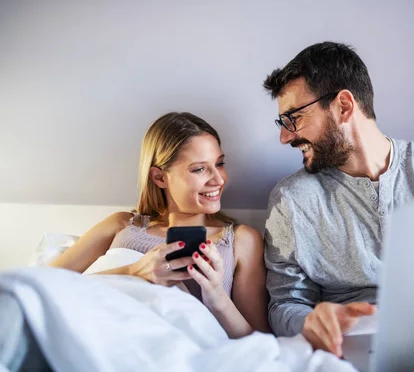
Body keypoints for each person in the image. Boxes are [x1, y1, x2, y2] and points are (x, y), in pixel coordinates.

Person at [262, 41, 414, 356]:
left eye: (293, 117)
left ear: (344, 106)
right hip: (350, 349)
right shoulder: (290, 200)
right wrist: (310, 321)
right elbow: (285, 304)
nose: (285, 136)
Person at [51, 112, 270, 338]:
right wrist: (134, 272)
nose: (218, 179)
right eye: (199, 169)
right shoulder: (122, 225)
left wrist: (217, 298)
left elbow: (259, 343)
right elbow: (41, 288)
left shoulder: (241, 241)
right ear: (159, 177)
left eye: (219, 163)